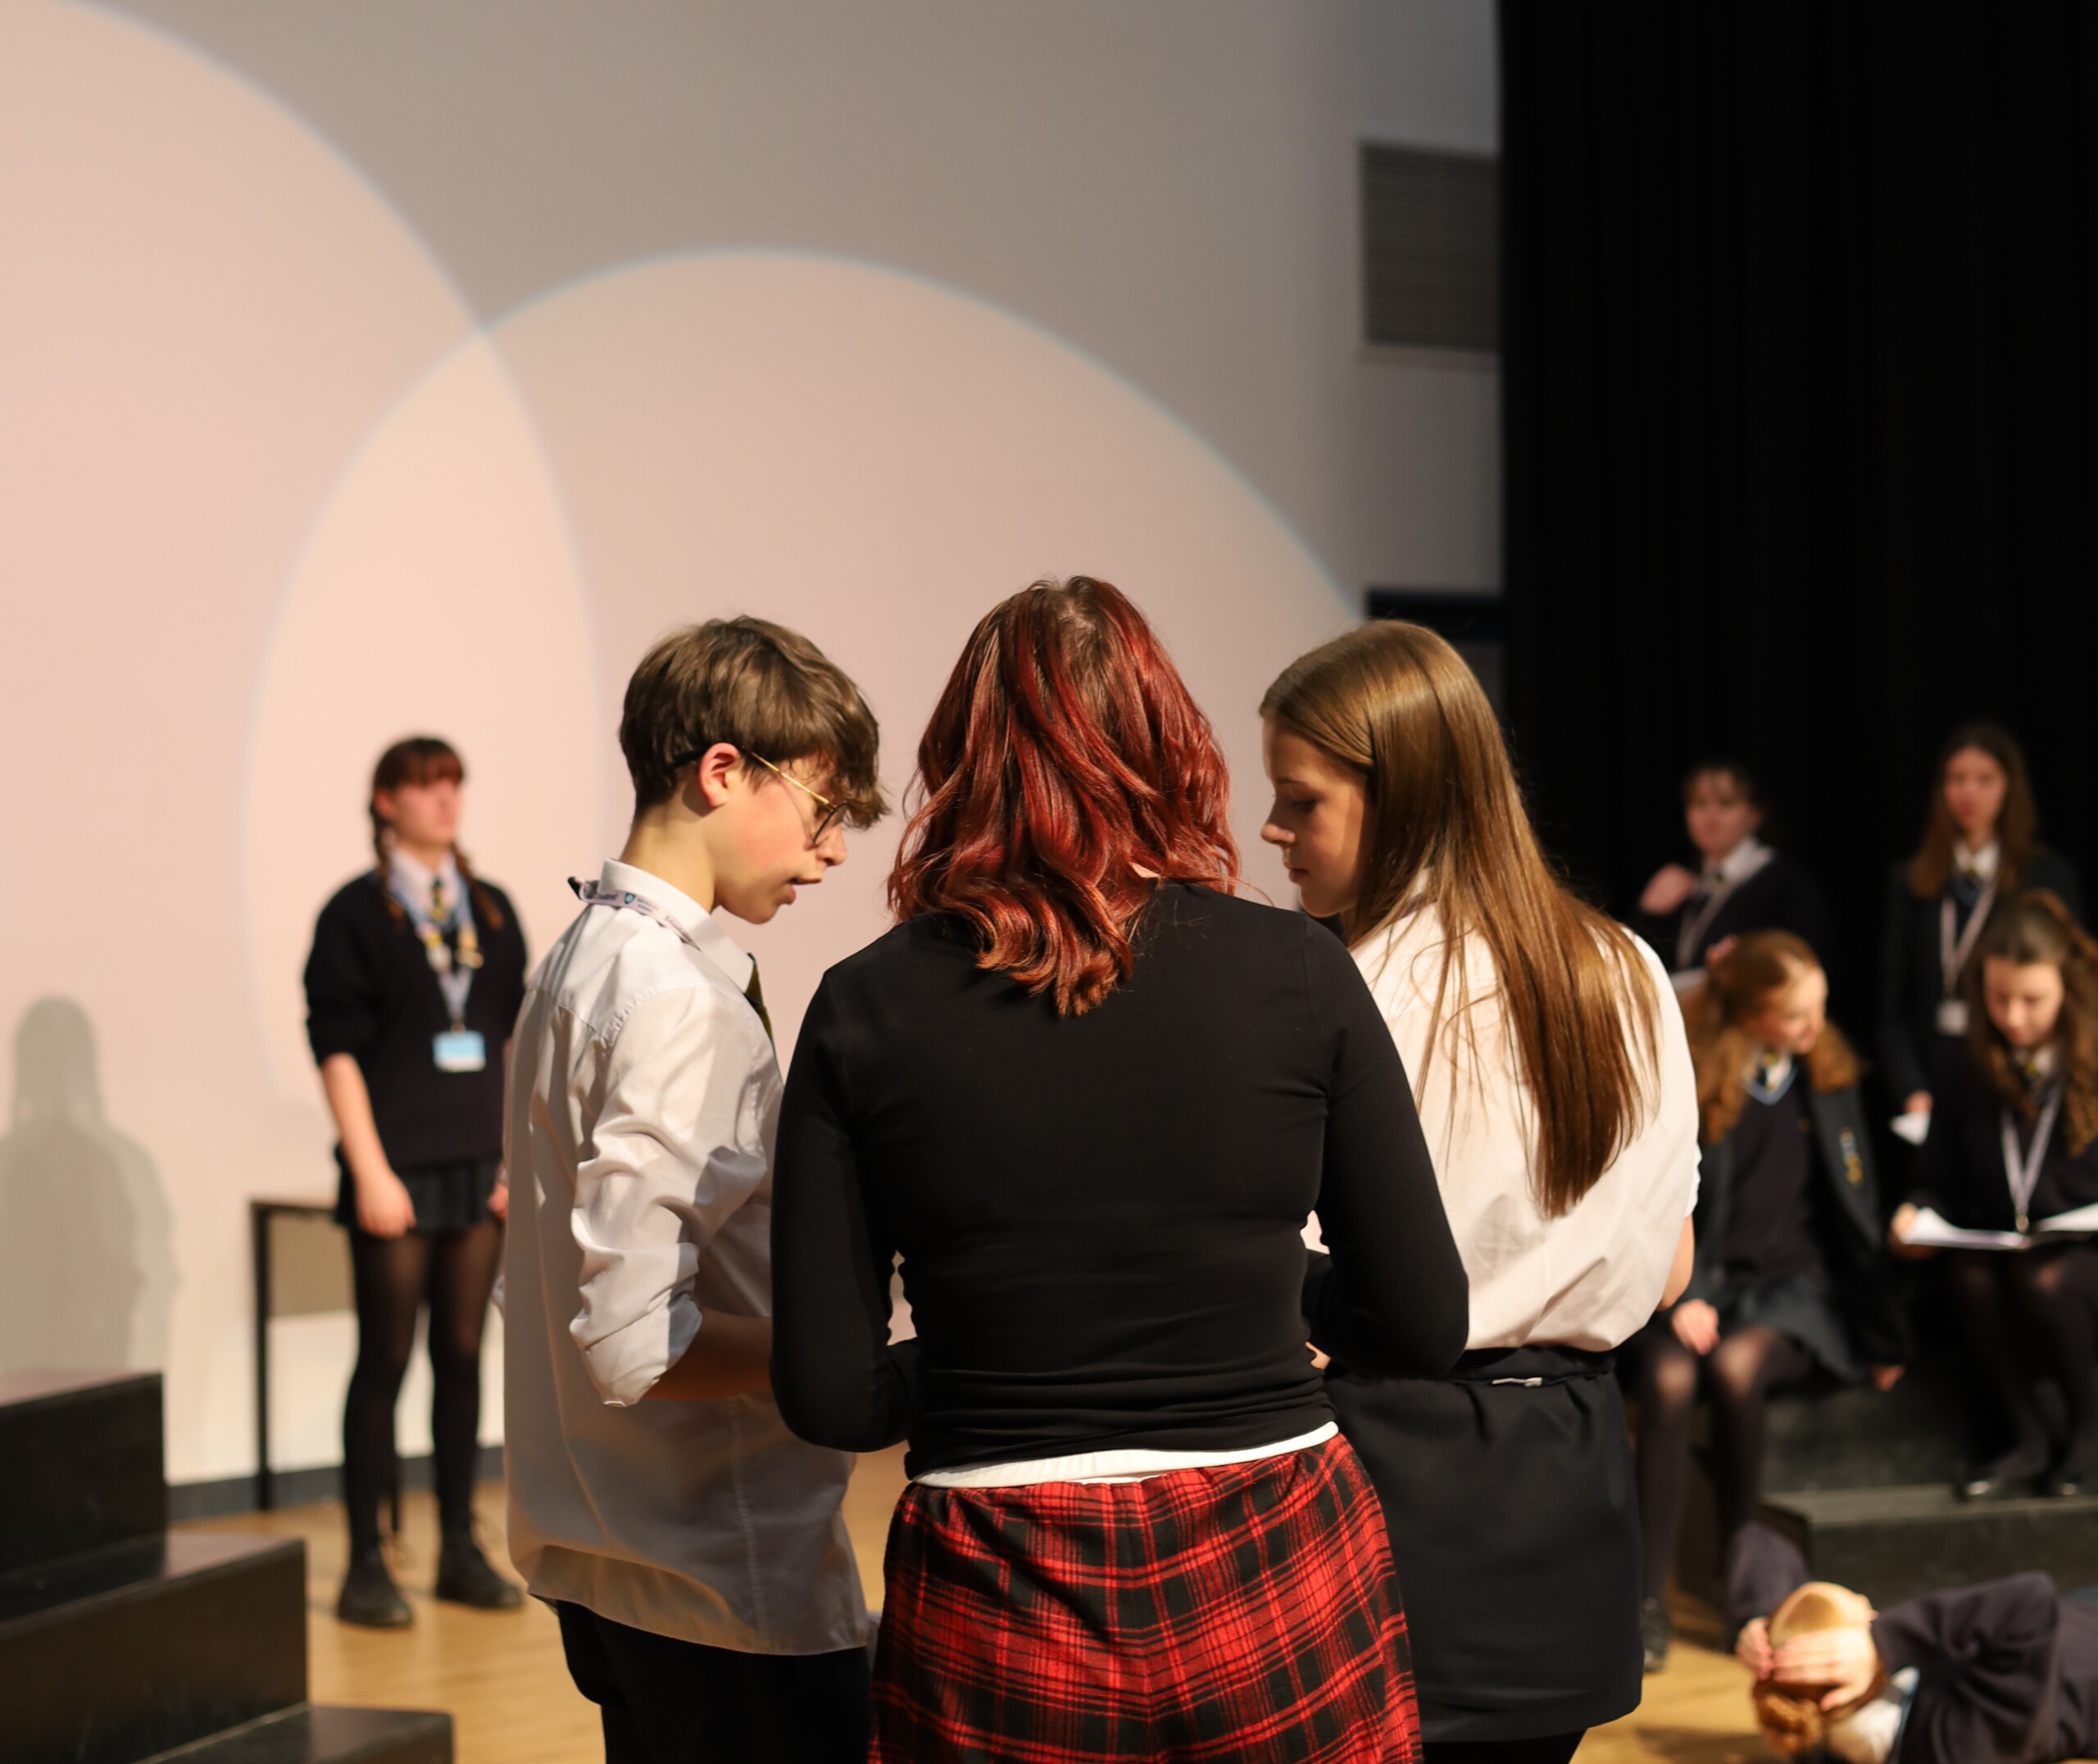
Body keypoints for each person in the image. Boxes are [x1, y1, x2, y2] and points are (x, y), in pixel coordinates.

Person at [771, 578, 1469, 1764]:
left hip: (998, 1580)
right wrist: (1267, 1298)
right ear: (1173, 746)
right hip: (1277, 1559)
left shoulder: (860, 1008)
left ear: (961, 760)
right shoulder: (1299, 970)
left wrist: (992, 1353)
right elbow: (1419, 1320)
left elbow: (831, 1397)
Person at [1258, 621, 1701, 1763]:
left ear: (1401, 792)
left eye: (1300, 801)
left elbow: (1278, 1279)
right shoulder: (1629, 966)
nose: (1271, 828)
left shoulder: (1343, 991)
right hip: (1573, 1488)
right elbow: (1674, 1266)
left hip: (1388, 1491)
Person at [502, 619, 885, 1764]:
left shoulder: (578, 955)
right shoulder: (672, 995)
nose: (832, 851)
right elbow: (634, 1342)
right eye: (822, 809)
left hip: (617, 1547)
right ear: (723, 769)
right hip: (723, 1572)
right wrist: (836, 1353)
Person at [1627, 932, 1906, 1671]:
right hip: (1705, 1282)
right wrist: (1685, 1295)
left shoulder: (1827, 1073)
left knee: (1738, 1367)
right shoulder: (1699, 1076)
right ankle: (1646, 1601)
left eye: (1818, 1009)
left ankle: (1743, 1590)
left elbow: (1858, 1209)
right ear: (1751, 1015)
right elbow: (1664, 1197)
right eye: (1794, 1015)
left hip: (1792, 1286)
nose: (1813, 1027)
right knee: (1668, 1378)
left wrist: (1886, 1334)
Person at [303, 736, 530, 1627]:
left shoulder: (492, 910)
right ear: (385, 800)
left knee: (463, 1355)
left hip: (478, 1168)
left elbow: (511, 1044)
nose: (445, 799)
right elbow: (336, 1047)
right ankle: (368, 1559)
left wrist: (513, 1157)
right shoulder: (355, 913)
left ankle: (459, 1548)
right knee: (386, 1359)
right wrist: (367, 1167)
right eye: (426, 784)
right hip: (394, 1170)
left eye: (453, 783)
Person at [1891, 891, 2098, 1501]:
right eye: (1998, 996)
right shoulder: (1964, 1062)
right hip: (2003, 1239)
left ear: (2066, 990)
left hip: (2081, 1247)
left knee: (2047, 1278)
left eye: (2032, 1000)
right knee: (1970, 1274)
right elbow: (1938, 1174)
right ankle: (2026, 1432)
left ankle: (2089, 1430)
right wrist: (1916, 1210)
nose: (2013, 1015)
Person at [1727, 1521, 2098, 1764]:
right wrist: (1883, 1642)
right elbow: (2030, 1600)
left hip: (2079, 1617)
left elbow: (1758, 1538)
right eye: (1866, 1620)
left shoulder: (1820, 1726)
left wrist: (1758, 1620)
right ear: (1849, 1677)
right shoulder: (1956, 1743)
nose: (1869, 1606)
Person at [1879, 722, 2084, 1132]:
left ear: (2009, 788)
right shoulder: (1912, 880)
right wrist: (1912, 1088)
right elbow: (1891, 1007)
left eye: (1984, 780)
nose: (1968, 793)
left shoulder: (2045, 876)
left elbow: (2073, 988)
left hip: (2009, 1075)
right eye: (1957, 779)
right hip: (1932, 1073)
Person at [1632, 760, 1839, 995]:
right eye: (1700, 804)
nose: (1711, 815)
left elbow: (1801, 968)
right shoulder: (1684, 884)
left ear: (1755, 814)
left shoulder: (1785, 885)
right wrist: (1649, 914)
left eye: (1726, 803)